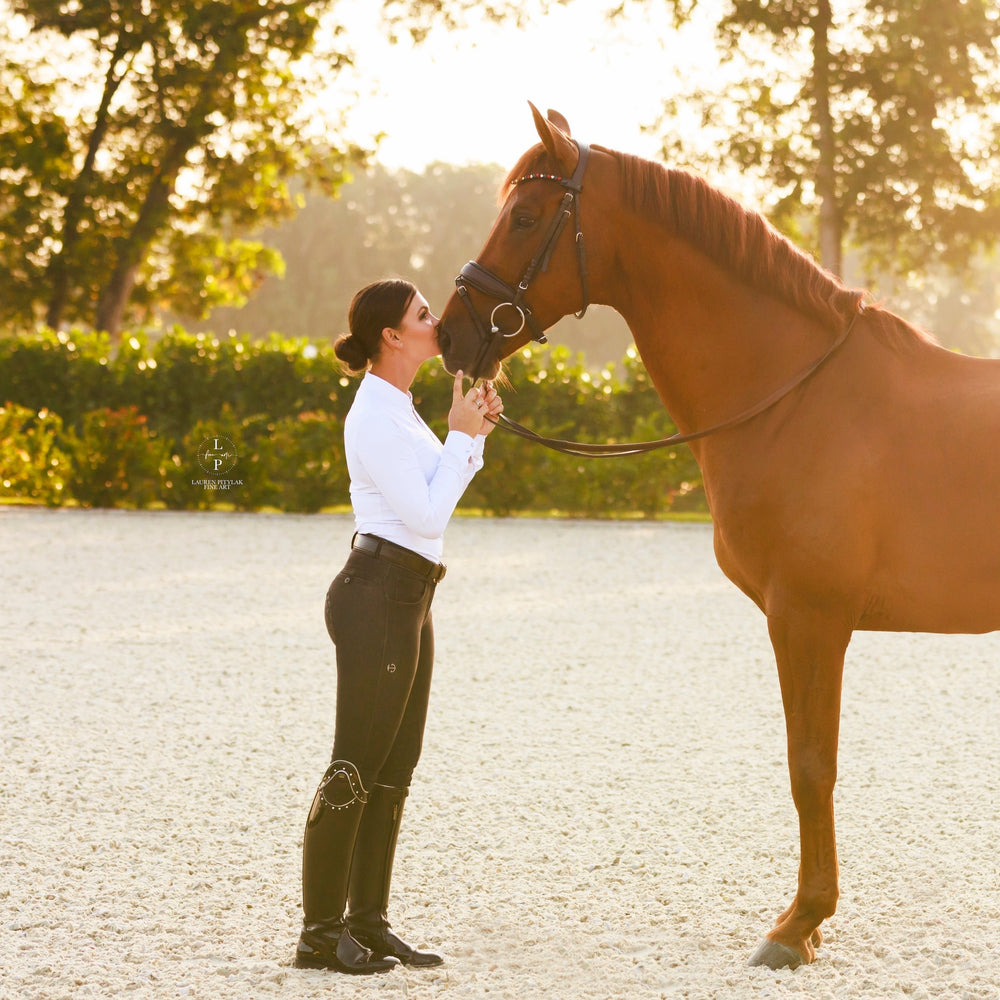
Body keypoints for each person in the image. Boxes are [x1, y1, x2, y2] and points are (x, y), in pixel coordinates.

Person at [294, 278, 502, 975]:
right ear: (392, 336)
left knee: (393, 771)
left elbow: (433, 498)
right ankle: (319, 936)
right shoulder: (373, 417)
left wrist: (467, 436)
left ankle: (369, 923)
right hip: (375, 597)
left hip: (410, 595)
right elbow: (424, 518)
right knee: (354, 767)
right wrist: (462, 439)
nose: (435, 320)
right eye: (422, 314)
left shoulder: (402, 412)